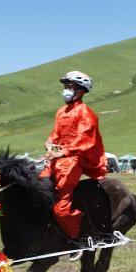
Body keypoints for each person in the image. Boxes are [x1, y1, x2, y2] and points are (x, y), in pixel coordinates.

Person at [41, 71, 108, 239]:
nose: (66, 90)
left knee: (61, 209)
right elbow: (54, 135)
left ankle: (78, 238)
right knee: (37, 186)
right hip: (58, 158)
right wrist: (49, 146)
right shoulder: (61, 111)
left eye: (70, 87)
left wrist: (59, 152)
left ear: (80, 90)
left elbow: (83, 141)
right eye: (65, 87)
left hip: (73, 161)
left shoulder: (86, 113)